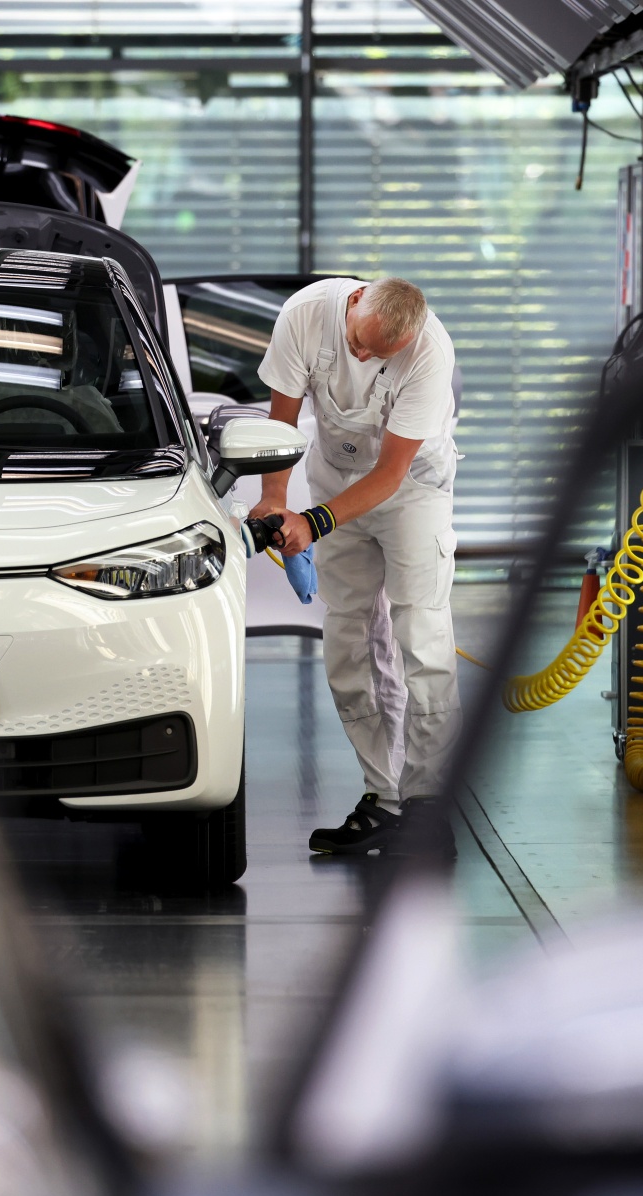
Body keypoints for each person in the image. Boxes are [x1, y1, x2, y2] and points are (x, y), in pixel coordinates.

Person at [252, 276, 461, 856]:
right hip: (335, 479)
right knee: (349, 641)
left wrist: (313, 523)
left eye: (380, 355)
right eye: (359, 344)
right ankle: (383, 795)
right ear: (352, 305)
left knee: (421, 637)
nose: (365, 358)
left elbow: (391, 475)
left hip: (413, 491)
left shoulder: (429, 354)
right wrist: (275, 500)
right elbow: (280, 424)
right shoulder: (303, 316)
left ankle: (425, 802)